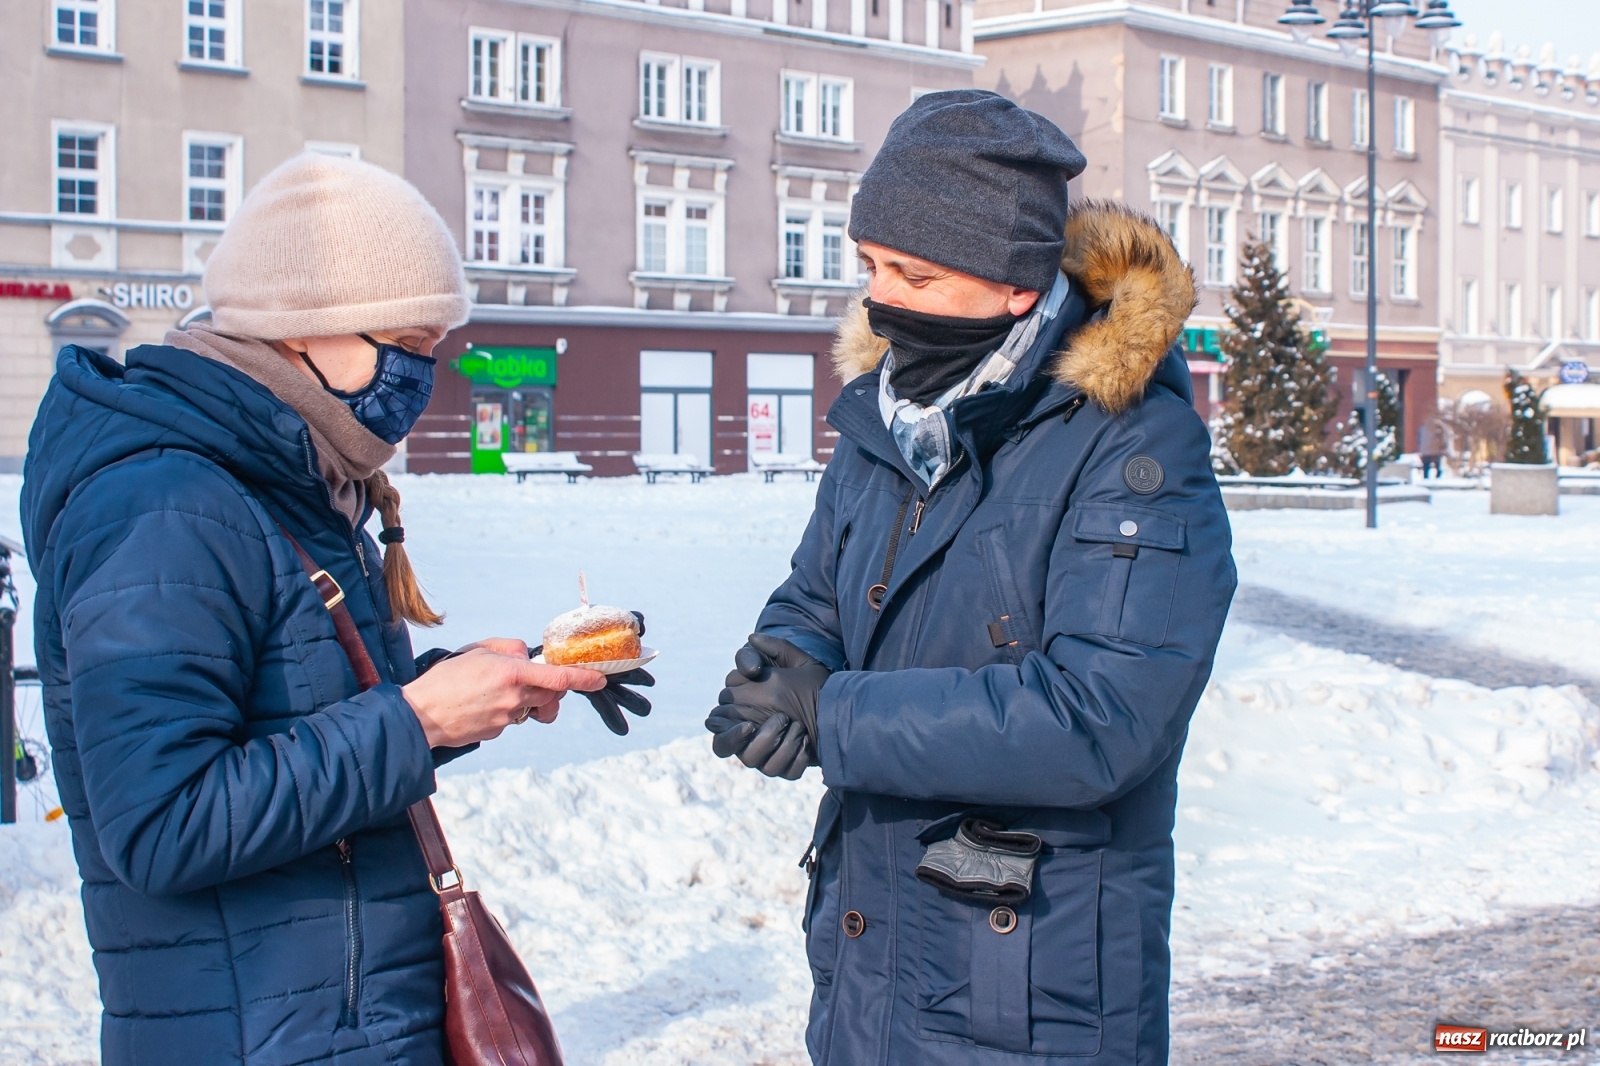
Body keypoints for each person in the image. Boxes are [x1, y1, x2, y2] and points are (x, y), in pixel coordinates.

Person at [19, 155, 648, 1064]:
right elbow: (160, 825)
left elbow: (304, 721)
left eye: (434, 346)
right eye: (406, 342)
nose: (422, 374)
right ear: (299, 328)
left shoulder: (296, 481)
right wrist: (417, 720)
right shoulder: (163, 505)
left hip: (335, 1026)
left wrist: (464, 694)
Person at [706, 91, 1236, 1065]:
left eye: (916, 275)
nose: (882, 300)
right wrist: (780, 669)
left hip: (1029, 991)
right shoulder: (885, 417)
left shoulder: (1134, 447)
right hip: (870, 955)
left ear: (1015, 288)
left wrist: (835, 714)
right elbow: (819, 592)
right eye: (871, 266)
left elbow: (1100, 719)